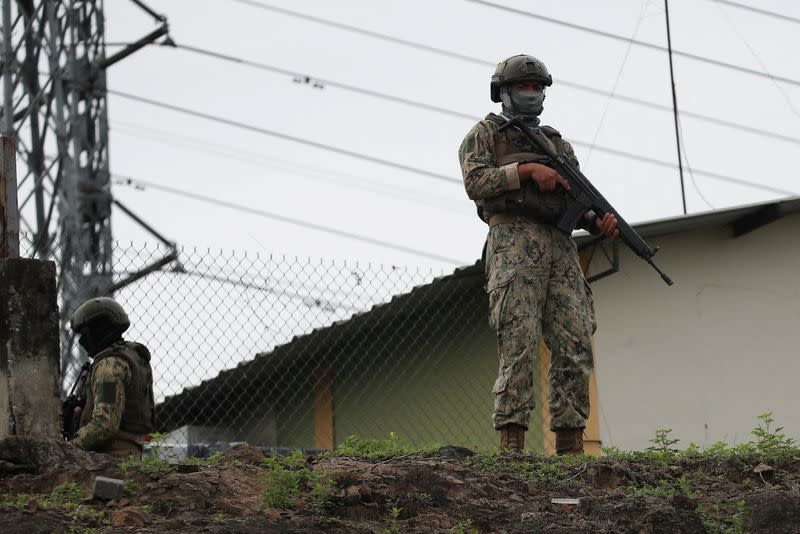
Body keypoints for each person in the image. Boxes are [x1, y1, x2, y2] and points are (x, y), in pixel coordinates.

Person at [458, 54, 618, 454]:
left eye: (536, 88)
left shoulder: (556, 143)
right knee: (519, 339)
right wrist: (527, 172)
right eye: (522, 87)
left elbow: (577, 199)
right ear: (504, 92)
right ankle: (512, 443)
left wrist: (598, 222)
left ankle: (569, 445)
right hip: (513, 242)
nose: (530, 94)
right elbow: (476, 182)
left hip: (560, 247)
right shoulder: (485, 134)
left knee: (575, 338)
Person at [67, 297, 155, 459]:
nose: (82, 341)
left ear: (99, 328)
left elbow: (104, 424)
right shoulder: (131, 356)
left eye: (85, 334)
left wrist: (68, 449)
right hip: (127, 457)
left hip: (110, 459)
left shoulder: (109, 368)